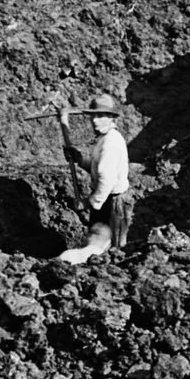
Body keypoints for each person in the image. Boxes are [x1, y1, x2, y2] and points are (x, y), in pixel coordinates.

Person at [57, 90, 132, 262]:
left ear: (111, 117)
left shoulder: (111, 142)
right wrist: (79, 159)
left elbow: (106, 180)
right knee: (99, 246)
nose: (94, 120)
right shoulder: (104, 138)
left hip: (112, 203)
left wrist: (88, 202)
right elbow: (97, 168)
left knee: (107, 249)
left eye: (100, 116)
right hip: (106, 200)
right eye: (93, 116)